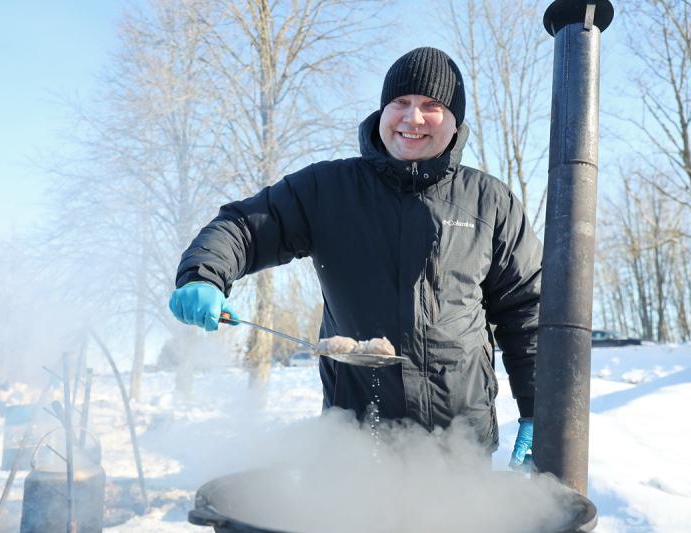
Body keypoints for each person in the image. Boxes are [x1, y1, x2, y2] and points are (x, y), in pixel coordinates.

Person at [169, 47, 540, 468]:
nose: (412, 118)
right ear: (382, 111)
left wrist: (538, 410)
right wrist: (203, 276)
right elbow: (245, 227)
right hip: (354, 447)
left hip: (460, 447)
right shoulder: (329, 190)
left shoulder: (490, 203)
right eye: (400, 102)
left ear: (455, 122)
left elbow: (527, 311)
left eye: (431, 105)